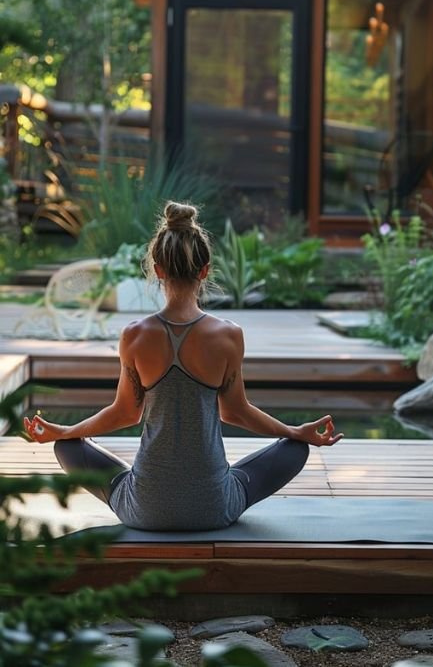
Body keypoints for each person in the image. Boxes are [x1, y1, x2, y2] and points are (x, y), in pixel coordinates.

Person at [24, 201, 343, 531]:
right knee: (294, 450)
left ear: (158, 270)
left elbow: (125, 413)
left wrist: (65, 432)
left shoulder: (134, 335)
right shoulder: (229, 335)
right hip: (213, 509)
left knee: (68, 447)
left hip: (145, 510)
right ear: (205, 271)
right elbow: (235, 412)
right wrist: (295, 432)